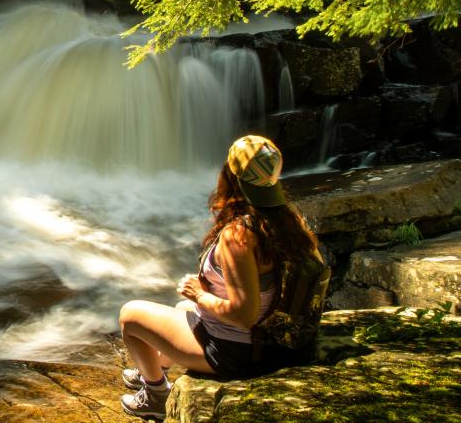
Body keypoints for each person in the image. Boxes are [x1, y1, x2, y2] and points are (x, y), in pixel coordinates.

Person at [118, 135, 321, 419]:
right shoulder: (290, 221)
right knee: (183, 310)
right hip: (276, 344)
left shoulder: (240, 235)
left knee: (131, 316)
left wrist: (200, 294)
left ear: (231, 176)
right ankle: (151, 370)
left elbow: (244, 314)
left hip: (238, 354)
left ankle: (155, 394)